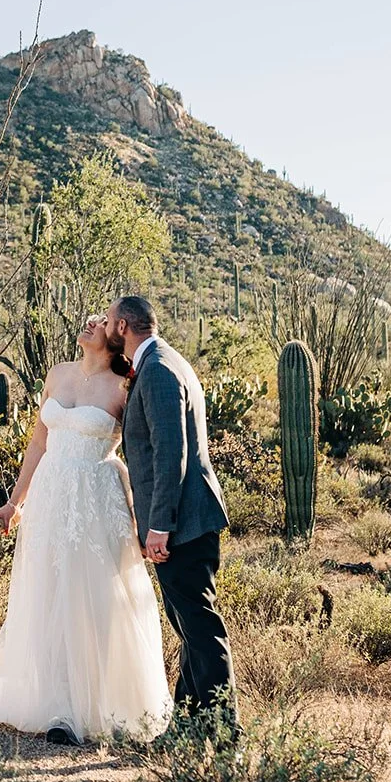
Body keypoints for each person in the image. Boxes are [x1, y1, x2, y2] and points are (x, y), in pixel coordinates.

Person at [0, 314, 173, 746]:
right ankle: (58, 704)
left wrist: (145, 518)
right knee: (49, 592)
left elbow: (141, 453)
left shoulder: (125, 386)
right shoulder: (57, 374)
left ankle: (100, 705)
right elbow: (39, 442)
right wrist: (14, 503)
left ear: (115, 338)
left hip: (97, 498)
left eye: (102, 321)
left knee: (96, 600)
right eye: (92, 318)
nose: (92, 322)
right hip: (50, 495)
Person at [106, 294, 237, 719]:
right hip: (188, 519)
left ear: (123, 326)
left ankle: (224, 730)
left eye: (109, 320)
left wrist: (159, 525)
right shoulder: (164, 361)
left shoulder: (159, 370)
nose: (105, 327)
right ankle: (188, 723)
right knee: (189, 627)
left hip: (183, 523)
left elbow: (170, 454)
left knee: (200, 627)